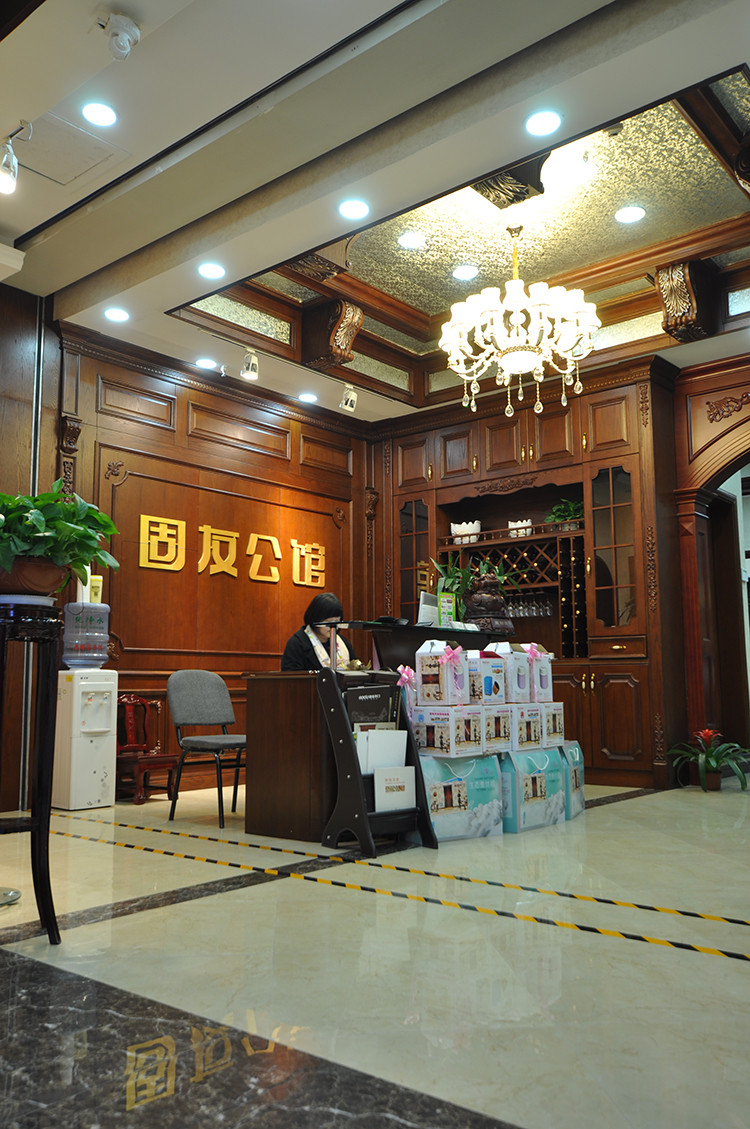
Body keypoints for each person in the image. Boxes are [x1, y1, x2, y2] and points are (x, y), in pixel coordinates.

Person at [281, 592, 357, 671]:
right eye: (328, 623)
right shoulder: (297, 643)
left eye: (337, 622)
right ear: (315, 619)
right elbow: (290, 675)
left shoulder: (342, 642)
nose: (333, 627)